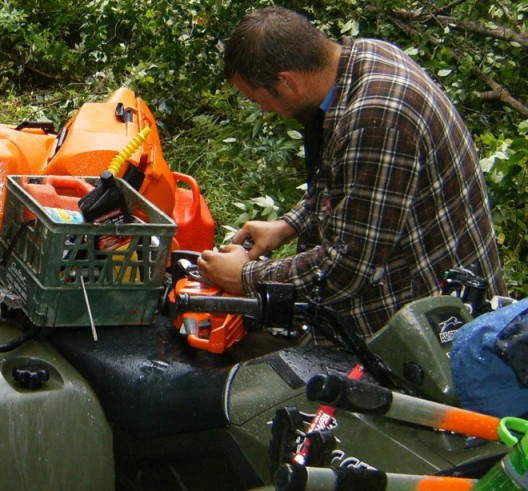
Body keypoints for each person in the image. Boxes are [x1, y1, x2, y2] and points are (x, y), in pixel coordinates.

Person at [197, 7, 507, 339]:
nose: (264, 109)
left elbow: (346, 270)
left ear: (287, 82)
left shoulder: (377, 118)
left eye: (259, 99)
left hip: (432, 326)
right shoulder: (358, 62)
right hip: (399, 272)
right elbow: (343, 181)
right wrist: (288, 225)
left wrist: (246, 276)